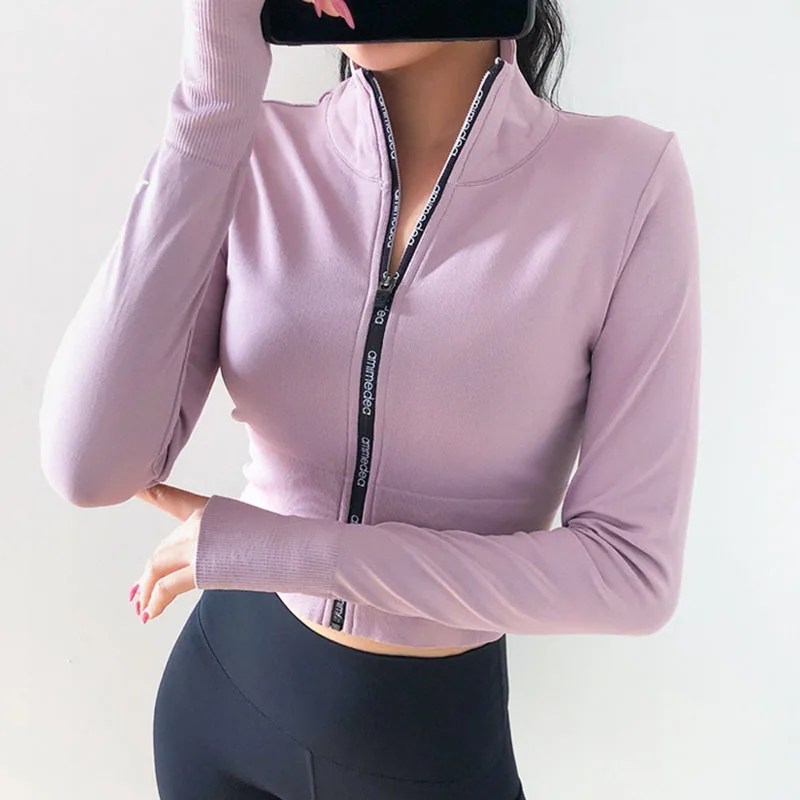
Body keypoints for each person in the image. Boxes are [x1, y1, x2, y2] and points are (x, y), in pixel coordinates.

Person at [38, 0, 702, 797]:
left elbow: (629, 574)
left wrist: (287, 551)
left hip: (431, 755)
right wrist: (212, 105)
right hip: (218, 710)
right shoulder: (254, 150)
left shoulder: (626, 185)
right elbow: (89, 466)